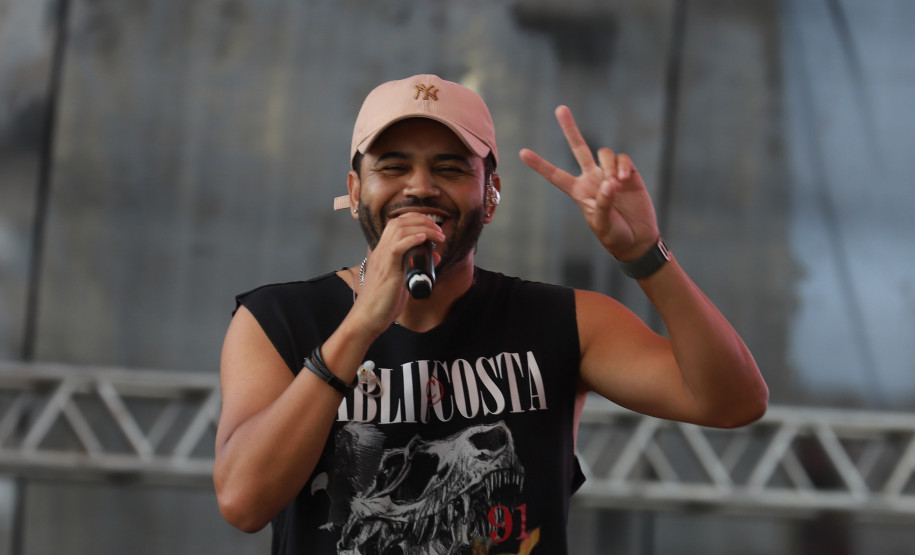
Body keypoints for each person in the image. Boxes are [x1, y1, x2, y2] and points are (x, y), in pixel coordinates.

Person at [214, 74, 768, 554]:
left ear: (491, 194)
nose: (420, 187)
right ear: (356, 191)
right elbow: (242, 502)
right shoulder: (277, 320)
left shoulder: (564, 320)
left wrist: (645, 255)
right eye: (394, 166)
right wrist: (360, 325)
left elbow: (734, 403)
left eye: (450, 168)